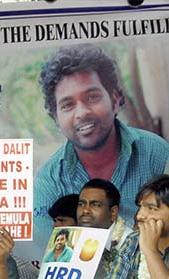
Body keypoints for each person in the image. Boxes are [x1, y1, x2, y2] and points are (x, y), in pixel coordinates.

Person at [33, 44, 169, 257]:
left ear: (115, 100)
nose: (82, 113)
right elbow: (46, 254)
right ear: (56, 121)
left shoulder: (156, 152)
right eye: (68, 105)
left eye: (92, 97)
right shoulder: (48, 182)